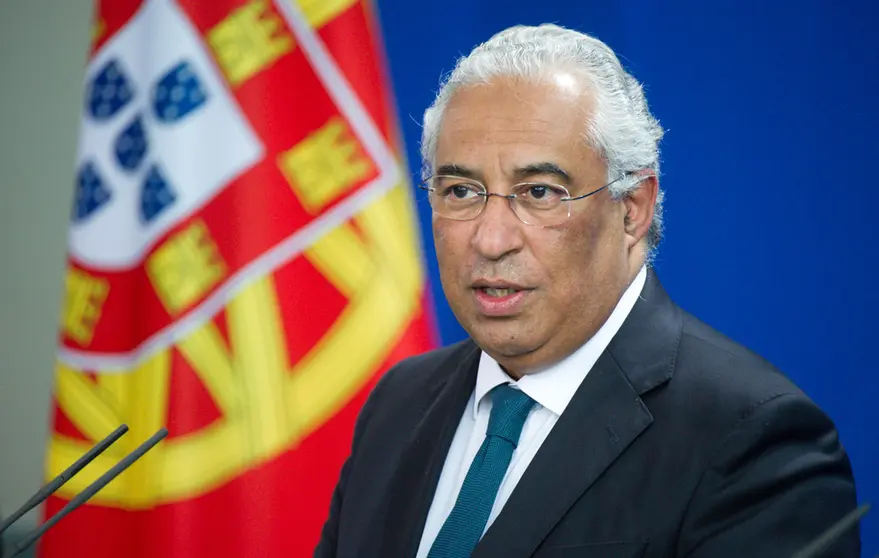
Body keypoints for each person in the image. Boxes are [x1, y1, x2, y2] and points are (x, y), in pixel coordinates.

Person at [314, 23, 860, 558]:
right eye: (460, 190)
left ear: (632, 210)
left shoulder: (752, 438)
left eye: (540, 192)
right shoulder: (398, 403)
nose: (491, 237)